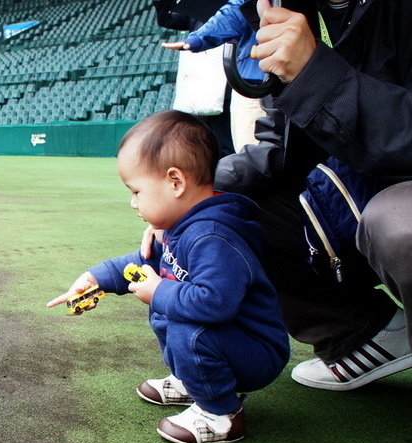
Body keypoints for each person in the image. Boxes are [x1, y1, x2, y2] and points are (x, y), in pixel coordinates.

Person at [47, 110, 290, 443]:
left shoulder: (213, 237)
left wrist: (159, 290)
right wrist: (96, 278)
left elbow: (213, 303)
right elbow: (142, 263)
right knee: (169, 304)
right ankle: (194, 381)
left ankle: (221, 415)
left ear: (175, 182)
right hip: (232, 340)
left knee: (183, 320)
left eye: (136, 191)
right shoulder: (182, 225)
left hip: (255, 351)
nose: (133, 203)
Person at [204, 0, 412, 390]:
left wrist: (315, 72)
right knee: (226, 211)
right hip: (357, 192)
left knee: (399, 222)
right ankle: (369, 333)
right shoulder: (296, 6)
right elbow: (282, 144)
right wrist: (198, 191)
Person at [160, 0, 267, 151]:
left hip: (298, 76)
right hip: (253, 81)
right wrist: (199, 38)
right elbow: (235, 12)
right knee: (252, 152)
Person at [152, 0, 236, 157]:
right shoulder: (195, 14)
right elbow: (166, 20)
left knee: (225, 139)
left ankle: (227, 176)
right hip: (199, 82)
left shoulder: (226, 10)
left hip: (223, 82)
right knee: (201, 139)